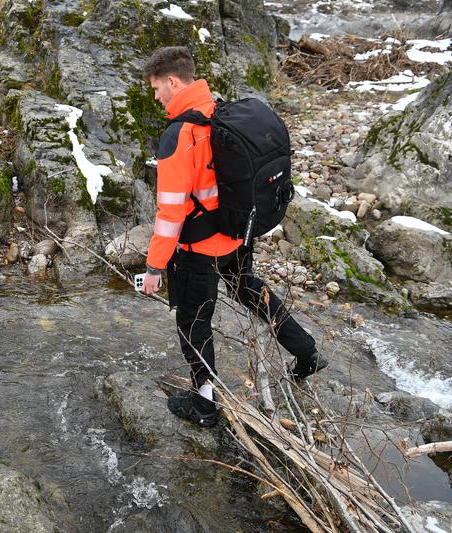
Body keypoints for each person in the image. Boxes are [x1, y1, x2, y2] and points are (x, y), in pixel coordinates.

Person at [140, 46, 327, 428]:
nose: (156, 97)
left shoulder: (180, 134)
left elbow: (171, 211)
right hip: (238, 233)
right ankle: (306, 352)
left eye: (157, 88)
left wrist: (155, 266)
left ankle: (204, 404)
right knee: (245, 288)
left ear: (172, 82)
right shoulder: (221, 112)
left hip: (200, 248)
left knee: (194, 322)